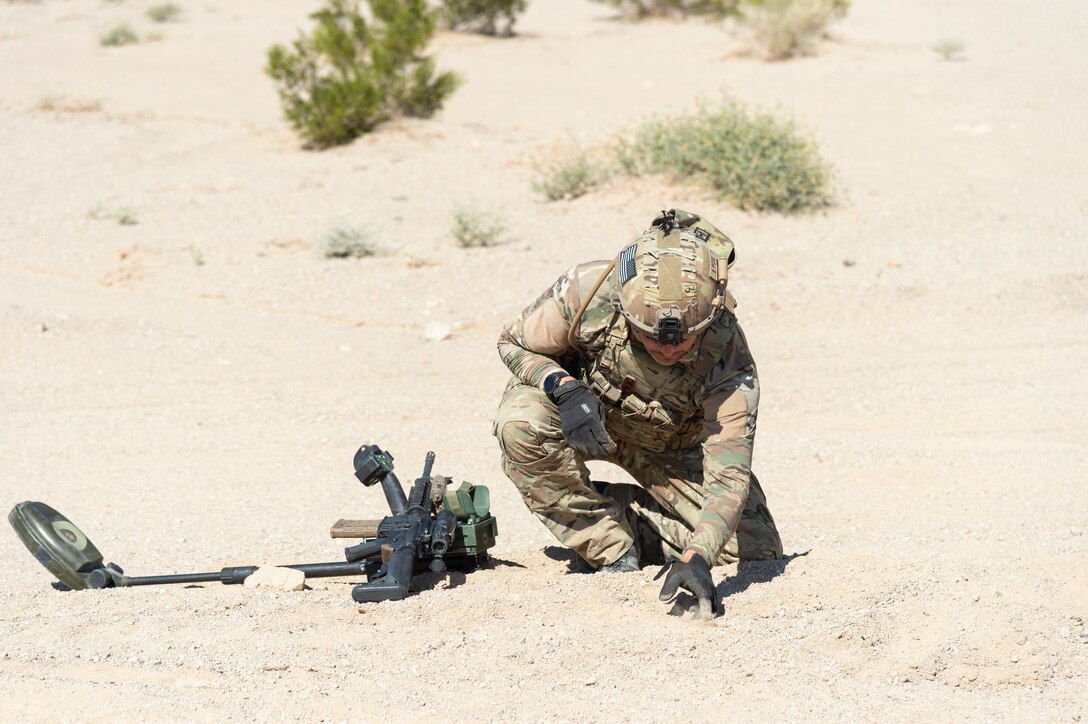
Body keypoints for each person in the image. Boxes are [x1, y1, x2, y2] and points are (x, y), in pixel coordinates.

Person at [493, 209, 782, 617]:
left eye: (684, 341)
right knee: (521, 425)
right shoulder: (588, 292)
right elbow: (512, 342)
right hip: (582, 417)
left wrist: (697, 555)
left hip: (670, 444)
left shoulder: (729, 359)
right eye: (649, 337)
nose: (666, 350)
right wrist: (562, 387)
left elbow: (728, 476)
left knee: (755, 549)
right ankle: (609, 544)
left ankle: (628, 519)